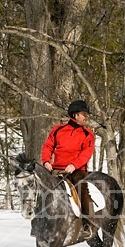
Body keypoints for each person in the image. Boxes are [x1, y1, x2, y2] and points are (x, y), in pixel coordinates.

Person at [41, 99, 95, 239]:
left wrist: (74, 165)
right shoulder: (58, 129)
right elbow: (48, 146)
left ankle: (87, 224)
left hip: (77, 170)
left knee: (81, 188)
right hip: (57, 169)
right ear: (75, 114)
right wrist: (46, 161)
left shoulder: (87, 134)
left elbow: (86, 153)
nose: (86, 117)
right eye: (84, 114)